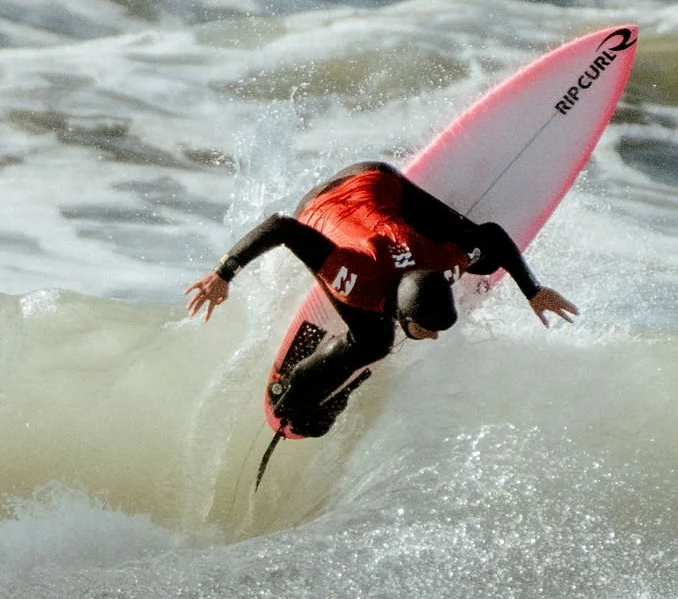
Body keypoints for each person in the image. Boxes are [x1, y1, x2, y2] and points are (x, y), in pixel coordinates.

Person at [185, 161, 578, 437]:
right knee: (374, 340)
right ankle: (293, 389)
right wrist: (224, 274)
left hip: (379, 180)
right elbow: (281, 226)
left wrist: (533, 291)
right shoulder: (355, 276)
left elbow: (492, 237)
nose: (433, 337)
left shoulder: (447, 262)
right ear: (404, 315)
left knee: (482, 253)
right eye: (426, 328)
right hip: (323, 203)